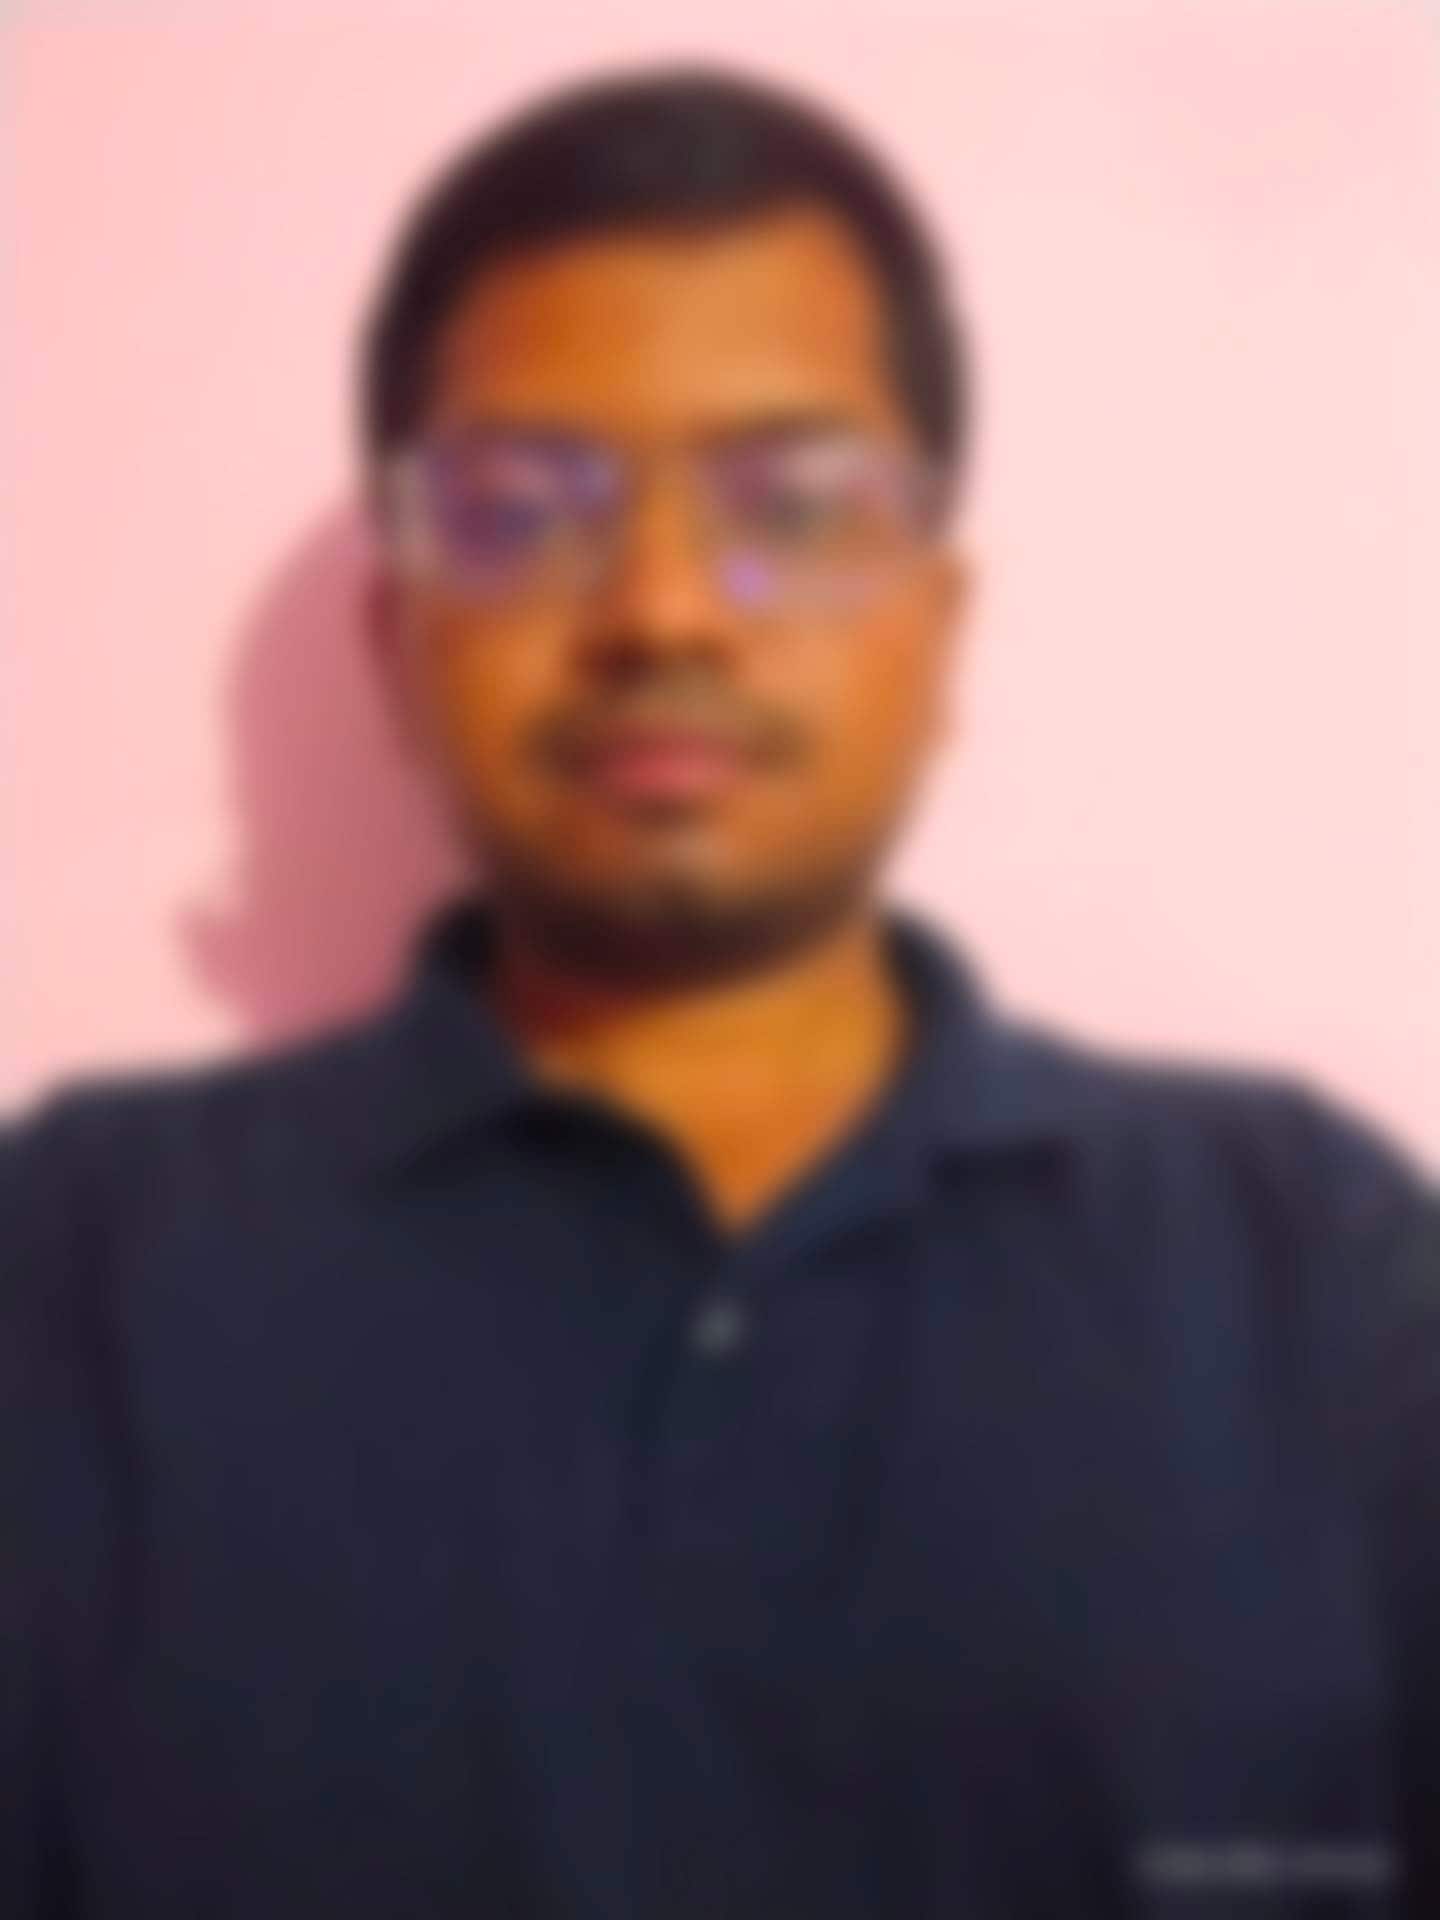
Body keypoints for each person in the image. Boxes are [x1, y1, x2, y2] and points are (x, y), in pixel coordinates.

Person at [3, 63, 1436, 1920]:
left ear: (938, 626)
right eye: (524, 507)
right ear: (397, 640)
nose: (664, 608)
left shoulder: (1309, 1273)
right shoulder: (75, 1275)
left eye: (797, 502)